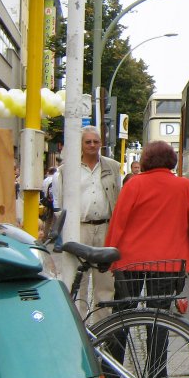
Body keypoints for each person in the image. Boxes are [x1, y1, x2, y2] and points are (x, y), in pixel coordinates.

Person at [104, 140, 189, 378]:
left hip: (130, 260)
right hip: (167, 262)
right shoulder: (184, 186)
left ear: (147, 160)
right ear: (172, 160)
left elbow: (118, 221)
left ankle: (112, 374)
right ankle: (158, 377)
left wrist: (109, 254)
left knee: (122, 315)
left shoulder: (134, 184)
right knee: (159, 318)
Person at [52, 125, 121, 321]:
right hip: (79, 228)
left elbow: (118, 196)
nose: (92, 145)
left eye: (96, 141)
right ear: (81, 145)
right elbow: (59, 201)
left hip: (105, 227)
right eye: (88, 141)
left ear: (101, 143)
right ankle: (80, 328)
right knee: (78, 281)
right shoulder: (67, 170)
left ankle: (103, 328)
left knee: (105, 282)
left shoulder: (112, 166)